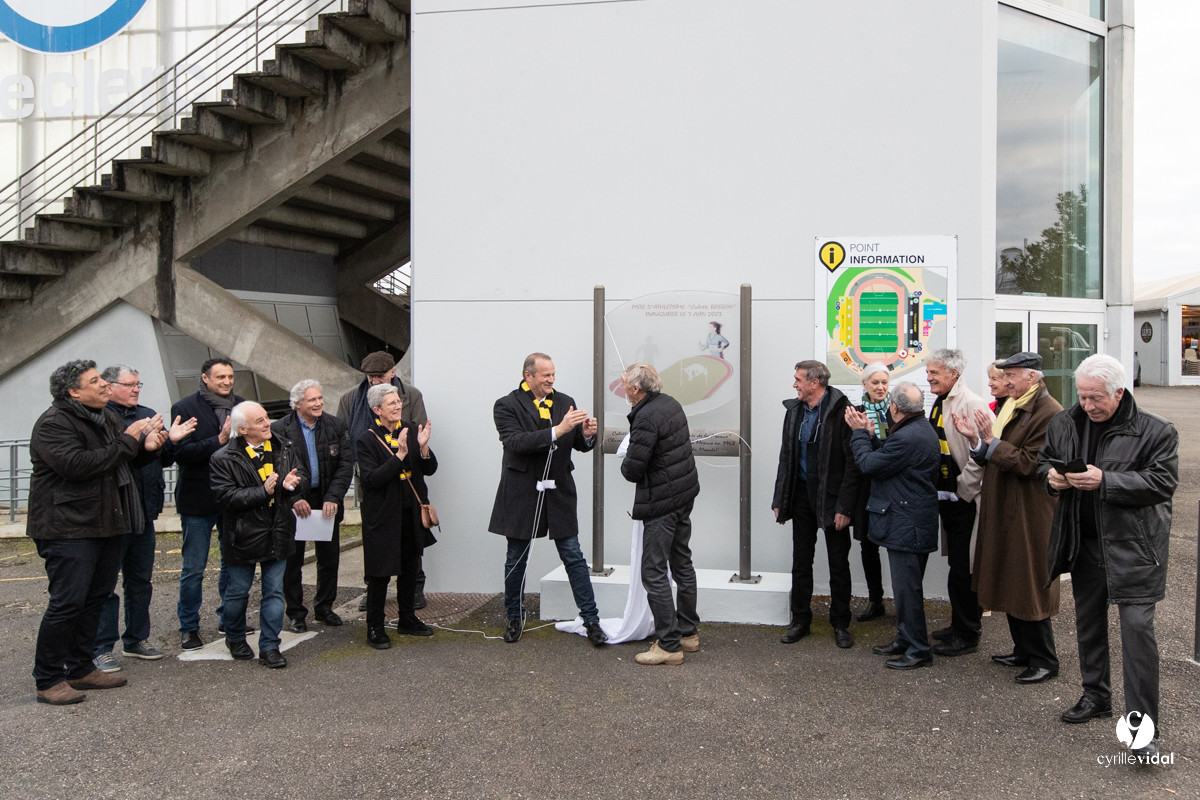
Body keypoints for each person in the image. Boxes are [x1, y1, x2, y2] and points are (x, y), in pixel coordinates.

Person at [1041, 355, 1178, 759]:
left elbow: (1162, 482)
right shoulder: (1065, 422)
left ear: (1120, 392)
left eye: (1096, 397)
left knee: (1137, 637)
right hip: (1083, 543)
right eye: (1082, 395)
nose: (1087, 404)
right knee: (1088, 626)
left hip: (1135, 549)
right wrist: (1049, 478)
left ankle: (1142, 731)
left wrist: (1106, 481)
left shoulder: (1155, 431)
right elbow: (1044, 461)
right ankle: (1095, 695)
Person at [27, 360, 169, 705]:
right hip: (67, 527)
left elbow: (116, 460)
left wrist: (146, 450)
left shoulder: (105, 416)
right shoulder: (53, 423)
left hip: (107, 523)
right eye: (95, 381)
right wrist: (128, 439)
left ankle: (80, 668)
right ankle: (48, 679)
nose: (106, 385)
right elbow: (77, 466)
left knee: (94, 600)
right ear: (73, 391)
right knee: (67, 603)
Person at [954, 351, 1062, 684]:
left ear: (1033, 377)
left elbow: (1031, 464)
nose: (1005, 382)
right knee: (1011, 578)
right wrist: (976, 440)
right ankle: (1023, 650)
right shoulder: (1016, 406)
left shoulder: (1049, 413)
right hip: (1006, 506)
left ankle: (1044, 659)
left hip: (1028, 512)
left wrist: (988, 440)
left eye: (1011, 375)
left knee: (1029, 583)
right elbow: (995, 452)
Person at [488, 352, 607, 646]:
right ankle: (514, 617)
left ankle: (591, 620)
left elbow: (578, 443)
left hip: (558, 491)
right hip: (521, 491)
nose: (551, 380)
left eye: (553, 374)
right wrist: (560, 429)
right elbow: (515, 442)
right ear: (529, 376)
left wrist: (588, 435)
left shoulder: (566, 401)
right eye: (545, 375)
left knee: (574, 556)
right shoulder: (506, 405)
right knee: (516, 557)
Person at [91, 365, 197, 673]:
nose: (137, 389)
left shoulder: (147, 413)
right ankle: (101, 647)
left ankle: (136, 639)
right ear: (109, 387)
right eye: (129, 384)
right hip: (114, 514)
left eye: (139, 384)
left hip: (145, 511)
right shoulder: (102, 419)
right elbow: (112, 459)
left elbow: (160, 459)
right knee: (106, 585)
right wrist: (138, 438)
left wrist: (170, 441)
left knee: (140, 581)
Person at [846, 382, 941, 670]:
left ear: (895, 408)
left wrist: (860, 435)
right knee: (906, 588)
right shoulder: (919, 430)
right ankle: (905, 638)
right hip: (913, 519)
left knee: (907, 590)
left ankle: (918, 649)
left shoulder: (906, 437)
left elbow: (869, 465)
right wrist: (873, 439)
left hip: (906, 522)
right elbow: (889, 460)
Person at [772, 360, 861, 649]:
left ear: (815, 383)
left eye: (798, 379)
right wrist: (780, 499)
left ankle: (840, 624)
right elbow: (786, 458)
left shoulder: (843, 412)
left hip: (832, 499)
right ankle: (800, 621)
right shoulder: (794, 411)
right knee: (801, 561)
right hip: (800, 496)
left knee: (838, 563)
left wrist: (845, 507)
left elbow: (852, 464)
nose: (794, 384)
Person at [209, 401, 306, 669]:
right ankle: (235, 637)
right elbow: (226, 497)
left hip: (279, 530)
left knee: (274, 592)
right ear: (242, 429)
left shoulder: (283, 446)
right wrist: (263, 492)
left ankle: (269, 647)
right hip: (243, 535)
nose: (268, 424)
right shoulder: (222, 458)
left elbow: (302, 476)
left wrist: (292, 486)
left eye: (266, 418)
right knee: (237, 592)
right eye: (260, 420)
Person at [619, 363, 701, 665]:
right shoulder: (670, 403)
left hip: (662, 502)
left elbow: (633, 468)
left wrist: (624, 460)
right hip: (683, 495)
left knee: (652, 571)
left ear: (637, 389)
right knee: (681, 563)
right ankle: (688, 633)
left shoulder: (645, 415)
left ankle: (669, 645)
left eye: (626, 383)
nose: (623, 387)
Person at [337, 351, 429, 611]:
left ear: (393, 372)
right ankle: (374, 586)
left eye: (380, 376)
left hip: (406, 479)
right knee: (376, 534)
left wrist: (414, 450)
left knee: (411, 533)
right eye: (370, 377)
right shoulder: (351, 399)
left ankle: (415, 587)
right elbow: (344, 436)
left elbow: (419, 430)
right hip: (373, 478)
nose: (375, 381)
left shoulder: (410, 395)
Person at [169, 357, 244, 650]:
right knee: (194, 568)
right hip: (198, 498)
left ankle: (229, 618)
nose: (227, 382)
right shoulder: (185, 408)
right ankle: (189, 627)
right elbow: (181, 454)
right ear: (205, 378)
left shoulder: (243, 406)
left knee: (233, 562)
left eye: (230, 376)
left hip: (234, 497)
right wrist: (219, 440)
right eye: (220, 377)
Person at [356, 384, 438, 649]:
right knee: (380, 574)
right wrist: (401, 454)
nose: (398, 406)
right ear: (377, 410)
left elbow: (429, 469)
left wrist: (423, 449)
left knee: (409, 568)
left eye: (398, 401)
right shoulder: (366, 439)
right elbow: (372, 479)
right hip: (382, 516)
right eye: (391, 404)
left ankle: (407, 618)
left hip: (411, 512)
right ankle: (375, 627)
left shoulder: (411, 430)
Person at [924, 349, 991, 658]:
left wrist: (963, 488)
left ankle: (967, 633)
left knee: (964, 569)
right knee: (957, 566)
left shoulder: (972, 404)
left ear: (953, 374)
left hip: (964, 500)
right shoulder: (944, 400)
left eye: (934, 373)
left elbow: (983, 454)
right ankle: (960, 624)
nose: (929, 378)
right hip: (949, 499)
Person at [273, 379, 354, 633]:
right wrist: (294, 498)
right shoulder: (278, 429)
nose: (319, 403)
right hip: (293, 502)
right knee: (292, 560)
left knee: (329, 558)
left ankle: (325, 607)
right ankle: (296, 613)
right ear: (297, 404)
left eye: (320, 398)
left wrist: (334, 496)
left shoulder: (336, 425)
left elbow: (345, 464)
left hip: (326, 500)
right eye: (312, 400)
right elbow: (277, 467)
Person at [850, 362, 890, 622]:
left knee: (899, 545)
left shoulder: (897, 412)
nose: (880, 387)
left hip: (891, 486)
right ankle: (876, 600)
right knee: (868, 545)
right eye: (875, 382)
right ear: (864, 385)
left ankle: (907, 601)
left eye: (885, 382)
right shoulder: (856, 414)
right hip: (866, 487)